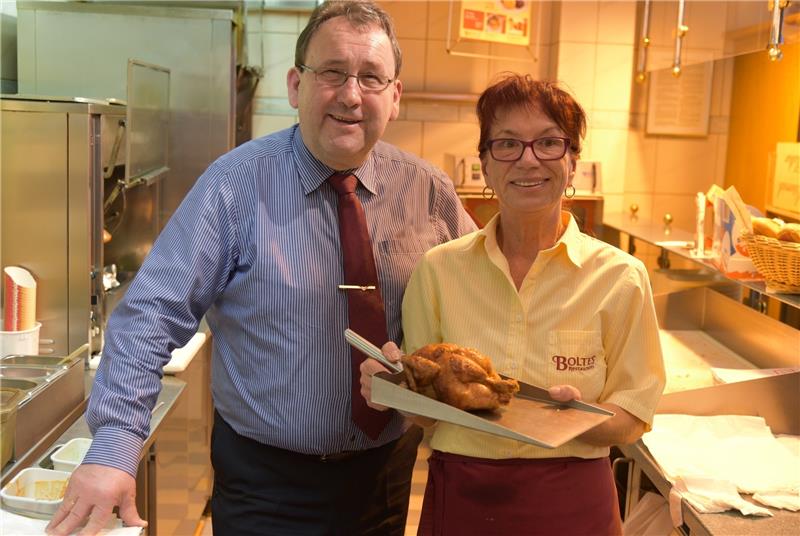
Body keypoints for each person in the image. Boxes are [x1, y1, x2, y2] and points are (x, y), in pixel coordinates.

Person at [46, 2, 475, 535]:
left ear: (395, 96)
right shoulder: (234, 185)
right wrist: (114, 450)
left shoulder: (428, 192)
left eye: (371, 77)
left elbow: (477, 306)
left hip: (383, 476)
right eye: (333, 73)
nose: (350, 94)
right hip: (263, 484)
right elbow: (150, 315)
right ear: (297, 85)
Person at [361, 74, 665, 535]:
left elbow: (634, 419)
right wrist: (391, 389)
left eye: (548, 143)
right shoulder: (439, 271)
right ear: (484, 164)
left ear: (572, 161)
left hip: (574, 502)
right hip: (463, 496)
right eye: (506, 144)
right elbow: (426, 412)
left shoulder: (620, 277)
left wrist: (575, 419)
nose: (528, 160)